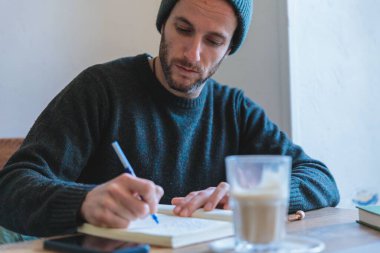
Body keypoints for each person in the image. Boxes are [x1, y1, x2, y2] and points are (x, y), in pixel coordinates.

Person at [0, 0, 339, 238]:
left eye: (214, 41)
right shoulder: (100, 90)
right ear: (163, 22)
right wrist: (85, 202)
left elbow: (321, 179)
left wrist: (249, 191)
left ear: (229, 48)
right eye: (183, 28)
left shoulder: (234, 109)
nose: (193, 54)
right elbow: (11, 188)